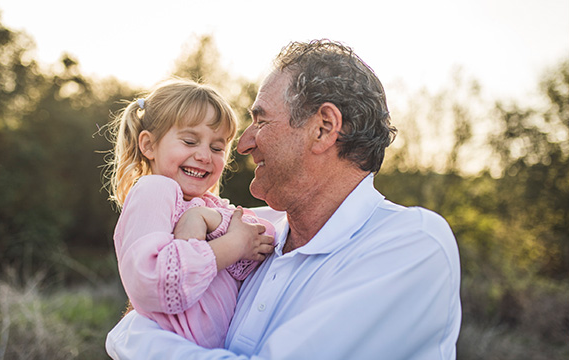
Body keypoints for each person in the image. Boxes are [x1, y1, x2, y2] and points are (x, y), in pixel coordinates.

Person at [106, 39, 462, 359]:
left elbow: (140, 323)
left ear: (323, 128)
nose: (242, 145)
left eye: (260, 122)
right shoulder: (257, 231)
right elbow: (160, 285)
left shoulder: (410, 244)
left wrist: (131, 335)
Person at [106, 79, 275, 349]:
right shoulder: (155, 190)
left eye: (217, 148)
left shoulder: (206, 205)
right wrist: (232, 243)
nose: (204, 156)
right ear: (148, 145)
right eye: (189, 141)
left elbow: (263, 240)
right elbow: (153, 280)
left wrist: (204, 218)